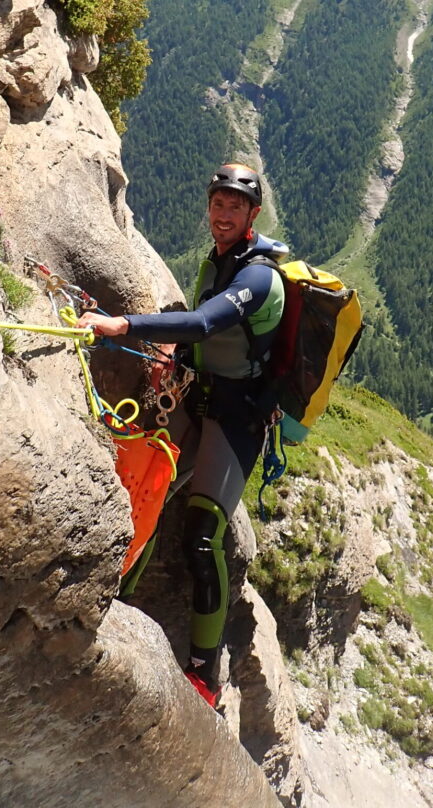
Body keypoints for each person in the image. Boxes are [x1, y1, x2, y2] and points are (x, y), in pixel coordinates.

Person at [77, 164, 287, 707]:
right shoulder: (217, 259)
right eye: (218, 203)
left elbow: (202, 323)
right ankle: (114, 596)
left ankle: (204, 674)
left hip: (237, 418)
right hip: (198, 399)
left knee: (201, 535)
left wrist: (124, 325)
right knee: (145, 488)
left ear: (253, 214)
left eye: (235, 206)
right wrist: (175, 357)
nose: (223, 214)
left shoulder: (259, 277)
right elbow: (200, 333)